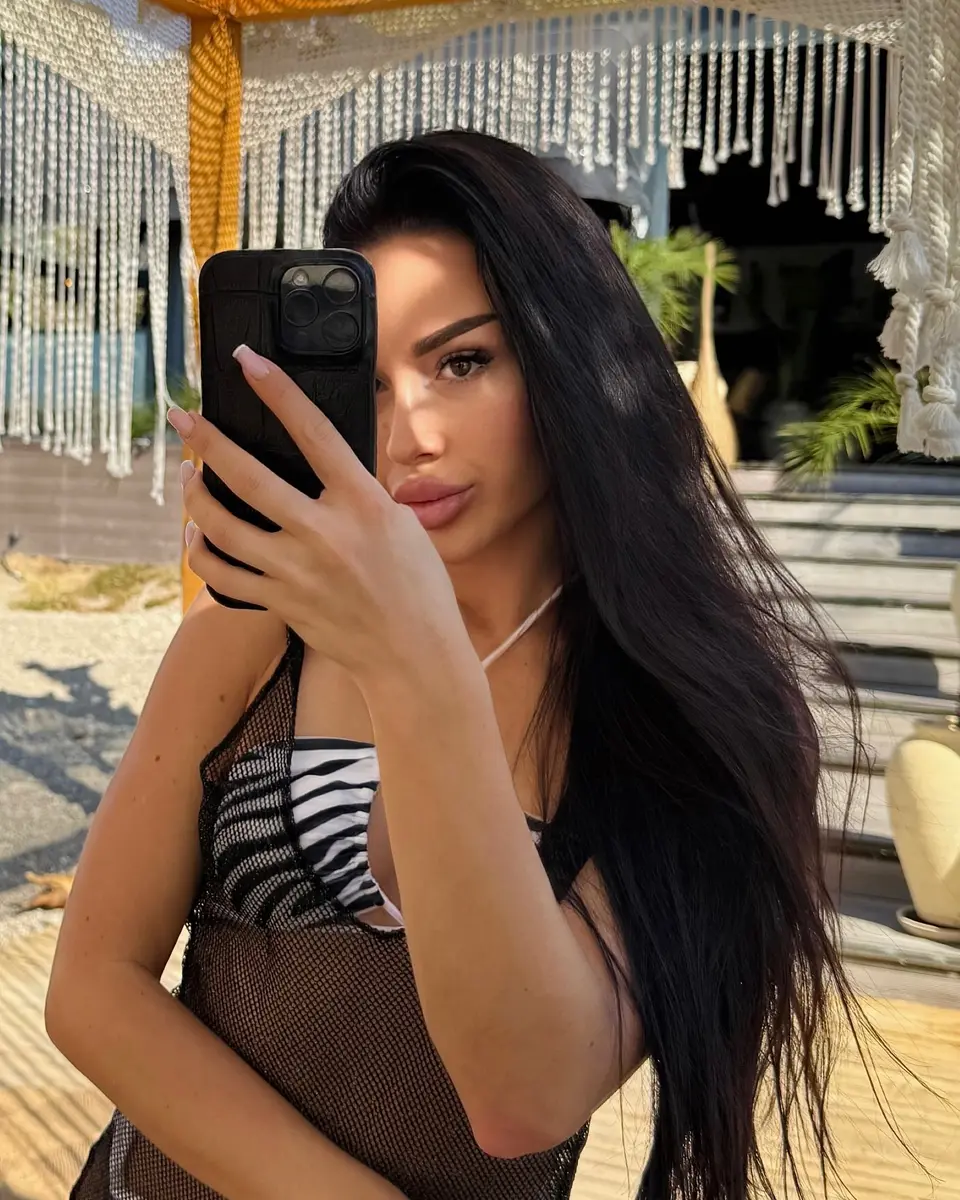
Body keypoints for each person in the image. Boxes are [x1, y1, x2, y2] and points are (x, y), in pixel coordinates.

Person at [47, 130, 864, 1200]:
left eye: (462, 362)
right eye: (370, 385)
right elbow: (93, 986)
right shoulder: (256, 633)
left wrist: (415, 665)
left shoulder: (687, 711)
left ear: (574, 363)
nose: (410, 436)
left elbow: (527, 1093)